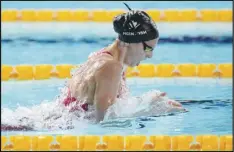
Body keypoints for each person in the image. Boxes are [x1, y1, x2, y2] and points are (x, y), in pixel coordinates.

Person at [61, 3, 186, 123]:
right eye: (148, 48)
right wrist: (150, 111)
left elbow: (106, 107)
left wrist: (147, 102)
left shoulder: (105, 58)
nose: (150, 55)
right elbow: (103, 121)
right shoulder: (110, 66)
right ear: (132, 41)